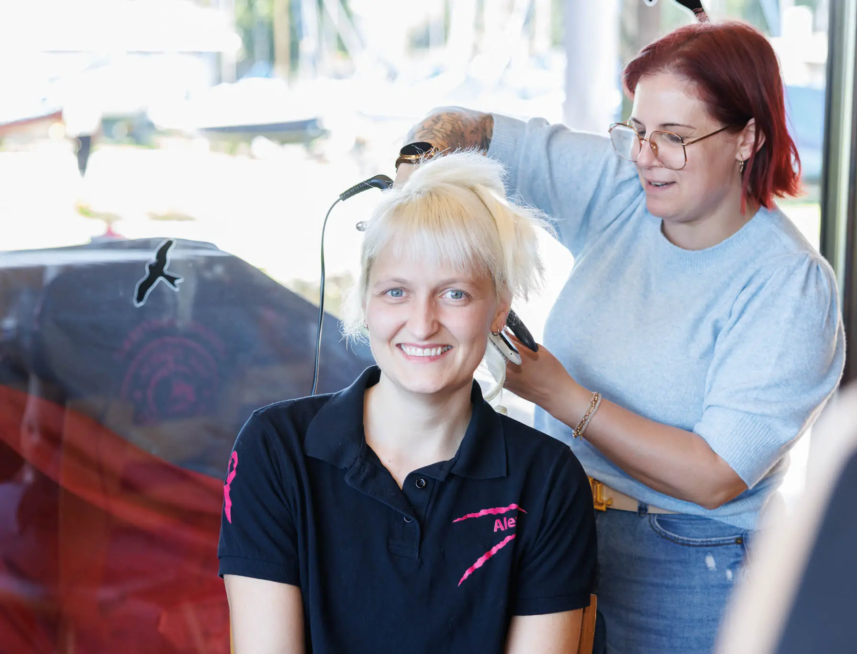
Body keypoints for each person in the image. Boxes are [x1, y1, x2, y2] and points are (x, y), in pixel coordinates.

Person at [398, 20, 845, 654]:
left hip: (691, 558)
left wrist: (563, 397)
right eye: (636, 131)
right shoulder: (624, 189)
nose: (644, 155)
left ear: (748, 137)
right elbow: (470, 129)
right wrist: (414, 177)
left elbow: (716, 474)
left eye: (673, 137)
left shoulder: (789, 288)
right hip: (559, 523)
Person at [218, 152, 598, 653]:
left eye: (455, 295)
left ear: (499, 307)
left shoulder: (546, 480)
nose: (422, 324)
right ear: (366, 300)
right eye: (397, 292)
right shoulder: (276, 450)